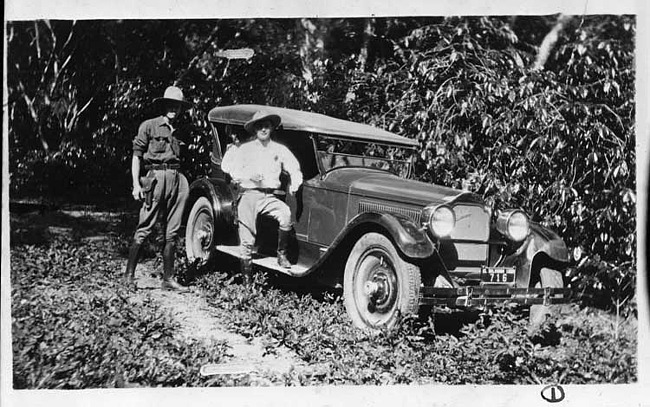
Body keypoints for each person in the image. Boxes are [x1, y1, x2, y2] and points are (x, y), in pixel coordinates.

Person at [221, 110, 303, 284]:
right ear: (254, 130)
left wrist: (294, 184)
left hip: (269, 196)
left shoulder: (280, 150)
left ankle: (282, 254)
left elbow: (294, 168)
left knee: (286, 214)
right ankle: (247, 281)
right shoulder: (245, 149)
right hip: (249, 194)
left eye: (266, 126)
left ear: (271, 128)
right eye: (260, 126)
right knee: (247, 238)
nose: (263, 130)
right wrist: (249, 176)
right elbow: (232, 170)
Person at [123, 86, 191, 291]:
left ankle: (168, 279)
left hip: (177, 179)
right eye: (170, 104)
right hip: (155, 179)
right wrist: (136, 184)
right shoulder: (149, 126)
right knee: (145, 225)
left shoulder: (180, 130)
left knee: (173, 231)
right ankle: (129, 276)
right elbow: (136, 155)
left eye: (177, 106)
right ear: (163, 105)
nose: (174, 109)